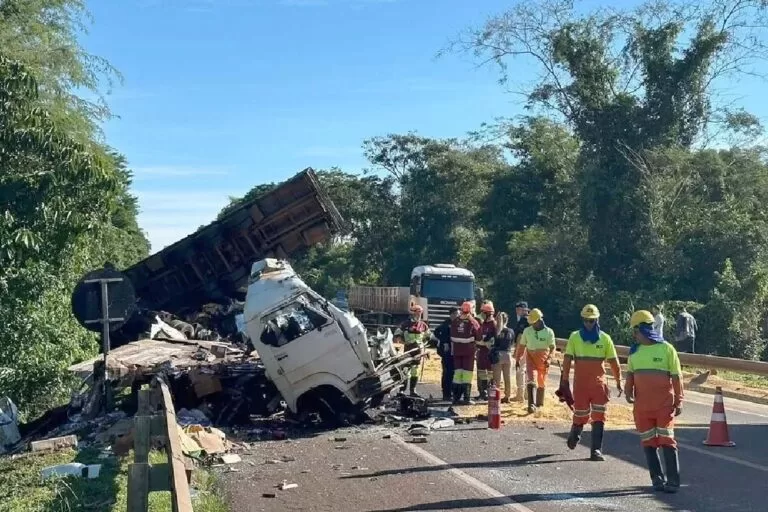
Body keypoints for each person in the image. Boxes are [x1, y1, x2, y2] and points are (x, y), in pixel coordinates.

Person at [625, 310, 683, 493]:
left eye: (635, 331)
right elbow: (630, 375)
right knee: (648, 442)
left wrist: (679, 400)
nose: (634, 335)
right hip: (642, 407)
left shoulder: (667, 349)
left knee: (667, 440)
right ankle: (656, 479)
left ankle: (673, 481)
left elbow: (677, 377)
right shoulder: (634, 352)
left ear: (642, 329)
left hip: (664, 406)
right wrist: (628, 391)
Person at [561, 304, 623, 461]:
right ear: (582, 320)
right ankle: (575, 434)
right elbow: (567, 360)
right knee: (580, 414)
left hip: (598, 385)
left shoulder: (605, 339)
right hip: (580, 385)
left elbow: (614, 362)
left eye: (592, 320)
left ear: (597, 320)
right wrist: (564, 380)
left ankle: (596, 450)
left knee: (599, 416)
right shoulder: (575, 337)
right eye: (586, 320)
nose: (589, 323)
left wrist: (619, 381)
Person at [515, 308, 556, 413]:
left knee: (541, 381)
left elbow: (552, 348)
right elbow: (522, 346)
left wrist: (549, 359)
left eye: (534, 322)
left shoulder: (549, 332)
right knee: (531, 379)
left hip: (543, 358)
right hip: (530, 357)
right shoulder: (527, 331)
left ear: (540, 320)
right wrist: (518, 358)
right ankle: (531, 404)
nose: (532, 324)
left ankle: (540, 403)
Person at [394, 304, 431, 396]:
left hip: (419, 351)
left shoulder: (423, 325)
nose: (418, 315)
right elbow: (397, 334)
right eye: (417, 313)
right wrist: (402, 341)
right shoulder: (405, 324)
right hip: (408, 350)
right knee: (406, 370)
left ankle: (413, 391)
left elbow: (428, 336)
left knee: (415, 371)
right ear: (412, 313)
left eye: (420, 313)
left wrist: (424, 345)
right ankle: (402, 390)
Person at [450, 301, 482, 405]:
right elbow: (479, 336)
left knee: (457, 374)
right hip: (468, 351)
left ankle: (456, 398)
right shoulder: (473, 322)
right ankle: (466, 398)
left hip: (457, 351)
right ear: (471, 310)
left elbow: (452, 335)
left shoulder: (455, 321)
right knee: (467, 374)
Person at [434, 307, 459, 401]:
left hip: (455, 352)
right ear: (452, 314)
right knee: (447, 372)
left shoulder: (458, 323)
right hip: (446, 352)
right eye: (456, 314)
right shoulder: (446, 324)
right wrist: (444, 342)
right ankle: (446, 393)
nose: (457, 315)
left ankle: (452, 392)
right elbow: (436, 332)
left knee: (453, 372)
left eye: (458, 314)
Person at [490, 312, 515, 403]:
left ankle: (497, 396)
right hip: (508, 355)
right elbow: (512, 343)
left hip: (498, 355)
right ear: (507, 320)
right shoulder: (511, 331)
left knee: (497, 378)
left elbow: (490, 342)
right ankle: (507, 396)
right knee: (507, 377)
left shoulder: (496, 331)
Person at [475, 301, 497, 400]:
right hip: (481, 352)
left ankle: (490, 392)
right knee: (481, 372)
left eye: (483, 312)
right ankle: (482, 392)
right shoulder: (482, 323)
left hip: (490, 353)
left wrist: (486, 343)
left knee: (491, 374)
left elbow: (494, 339)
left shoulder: (494, 324)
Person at [513, 301, 529, 402]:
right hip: (531, 348)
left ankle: (520, 395)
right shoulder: (532, 320)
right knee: (528, 371)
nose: (517, 312)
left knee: (520, 370)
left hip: (523, 347)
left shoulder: (524, 321)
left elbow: (520, 336)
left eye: (518, 309)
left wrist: (517, 351)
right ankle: (527, 394)